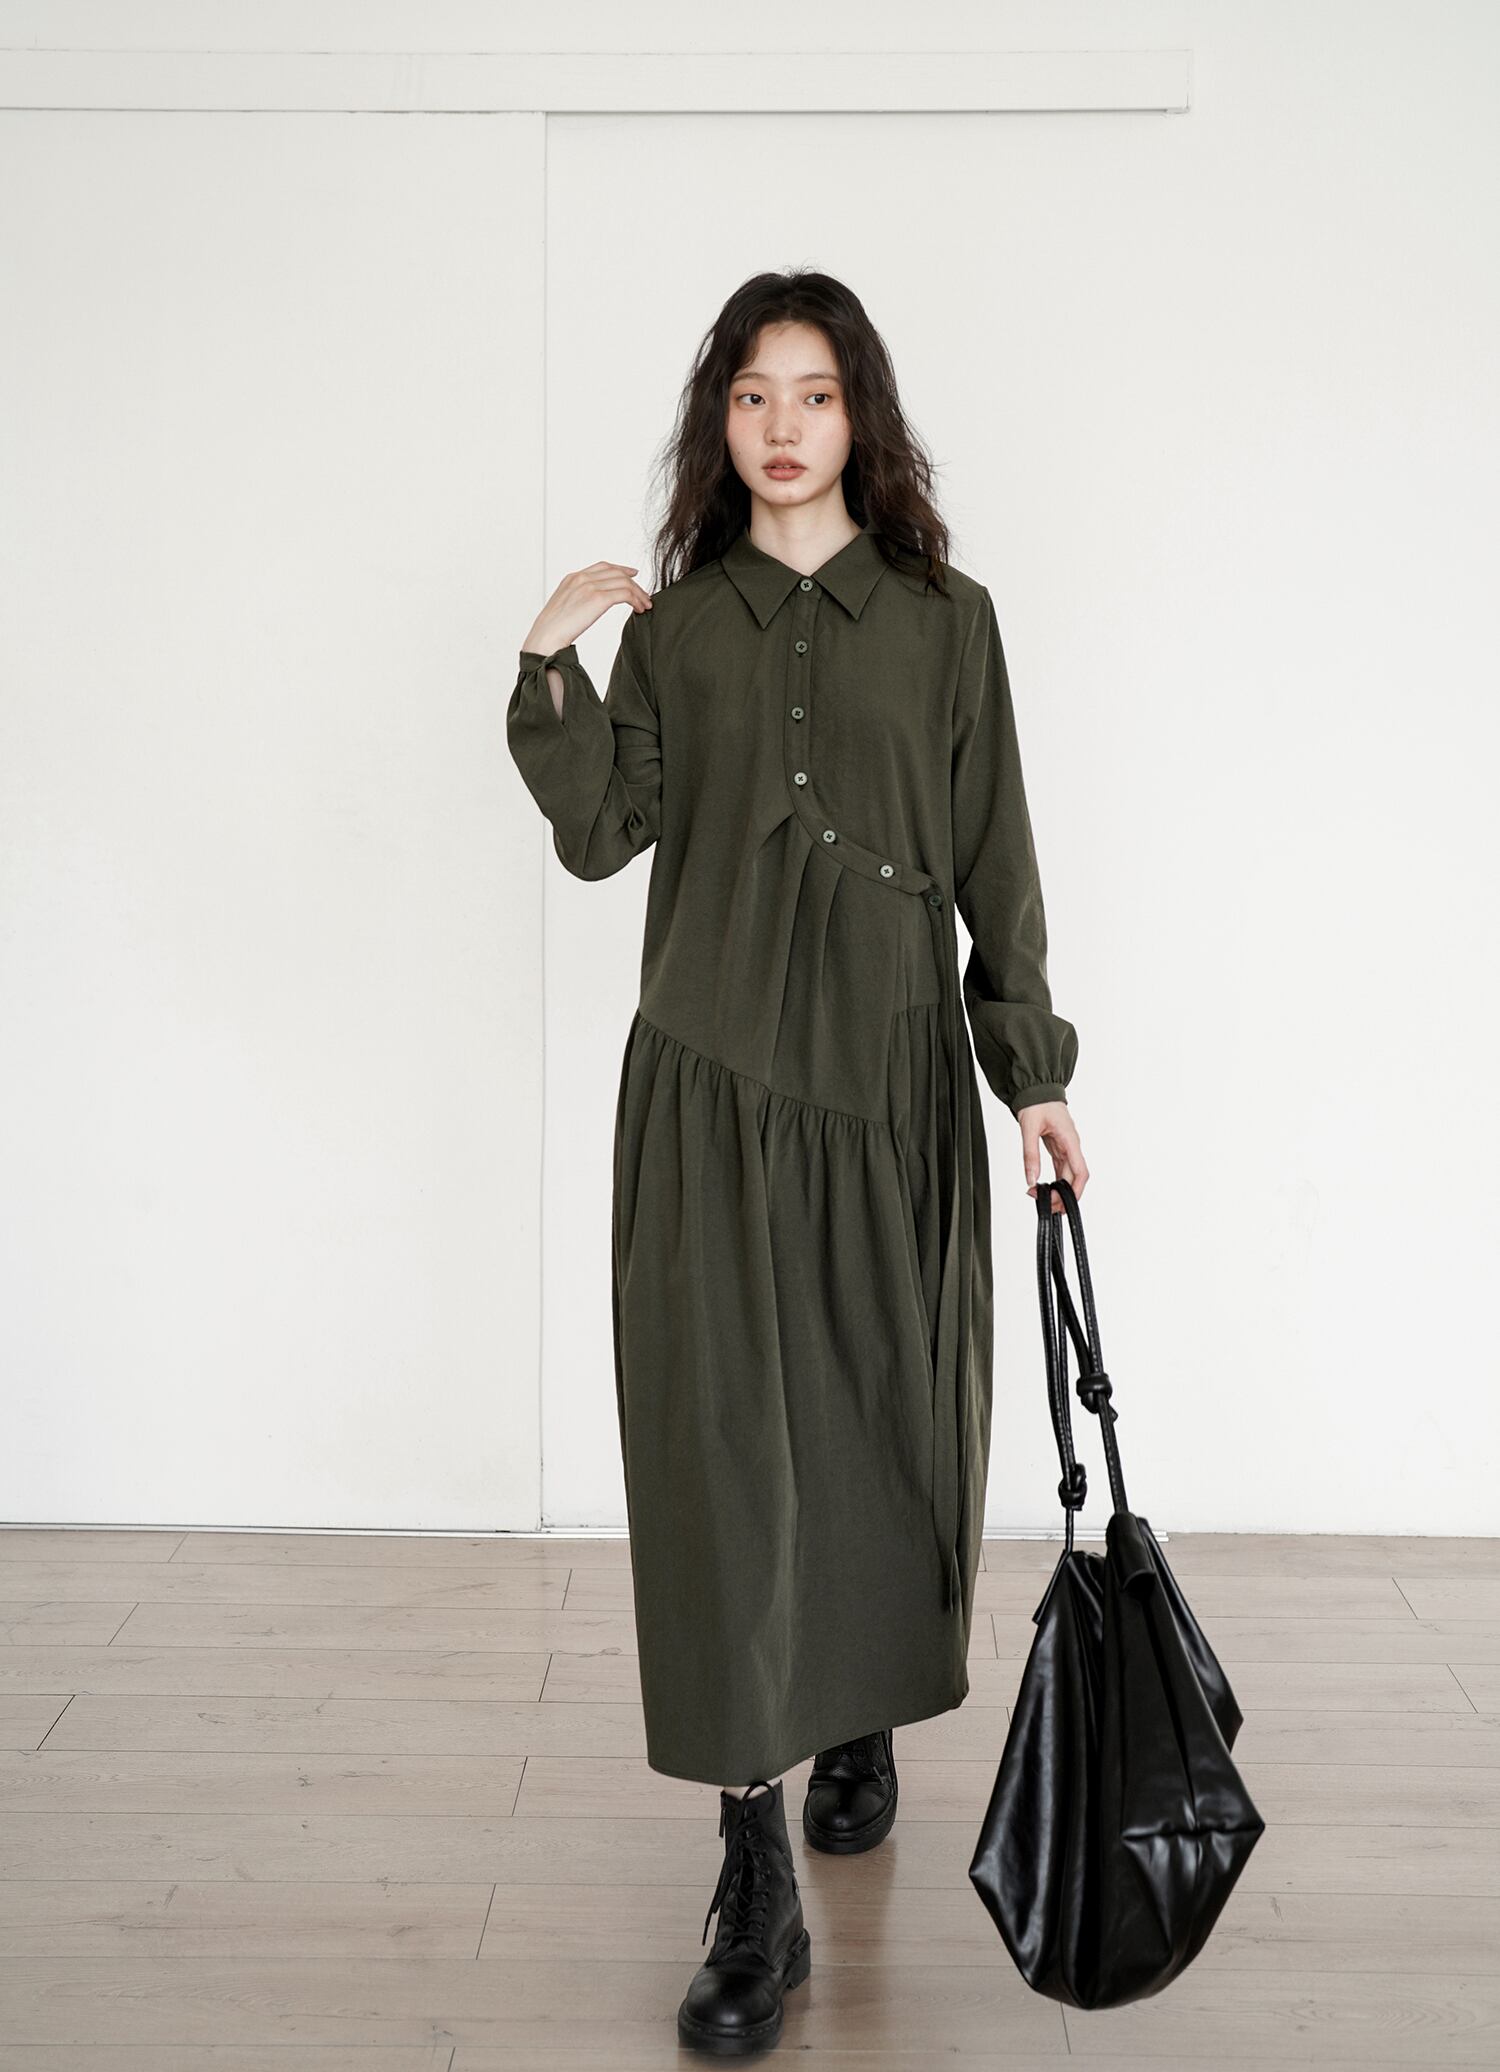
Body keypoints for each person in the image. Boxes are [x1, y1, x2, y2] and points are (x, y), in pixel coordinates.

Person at [507, 267, 1088, 2056]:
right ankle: (751, 1868)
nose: (781, 426)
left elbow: (995, 856)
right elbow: (603, 833)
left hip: (891, 1088)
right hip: (708, 1090)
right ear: (721, 422)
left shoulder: (950, 622)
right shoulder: (680, 630)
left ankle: (860, 1707)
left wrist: (1030, 1074)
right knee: (722, 1465)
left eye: (815, 395)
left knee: (884, 1432)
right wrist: (548, 662)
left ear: (861, 419)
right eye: (752, 395)